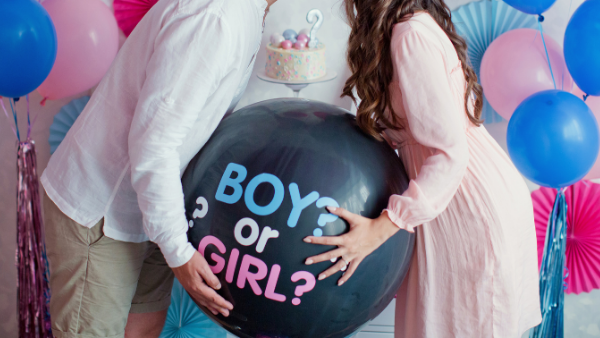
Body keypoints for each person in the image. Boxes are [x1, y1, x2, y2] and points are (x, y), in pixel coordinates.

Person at [303, 1, 542, 337]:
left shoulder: (410, 34)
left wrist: (381, 229)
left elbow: (449, 154)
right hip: (447, 199)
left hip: (464, 201)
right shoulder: (403, 28)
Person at [41, 0, 277, 337]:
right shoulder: (216, 16)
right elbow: (154, 145)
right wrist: (178, 250)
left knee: (143, 329)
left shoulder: (249, 13)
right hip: (103, 212)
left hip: (157, 210)